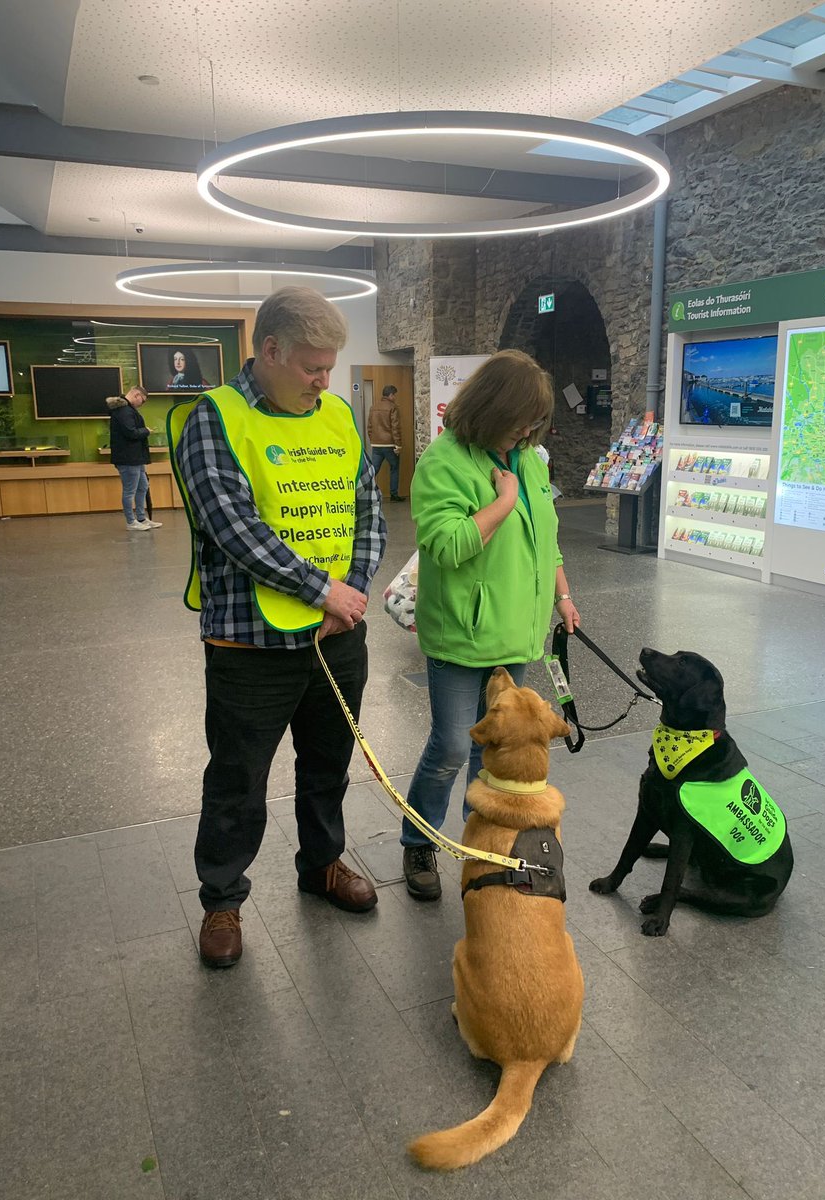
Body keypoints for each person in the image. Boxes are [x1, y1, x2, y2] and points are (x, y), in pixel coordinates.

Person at [171, 286, 387, 969]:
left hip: (336, 633)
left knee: (329, 764)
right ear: (269, 351)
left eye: (330, 368)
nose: (325, 382)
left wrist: (349, 595)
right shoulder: (216, 418)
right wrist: (323, 589)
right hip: (251, 645)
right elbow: (234, 526)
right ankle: (222, 899)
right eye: (312, 368)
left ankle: (322, 865)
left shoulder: (339, 417)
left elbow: (367, 511)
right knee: (239, 779)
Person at [400, 349, 580, 901]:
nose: (526, 434)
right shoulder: (443, 462)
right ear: (489, 408)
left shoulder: (529, 459)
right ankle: (419, 839)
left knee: (493, 749)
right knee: (453, 745)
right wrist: (503, 501)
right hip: (462, 633)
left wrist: (564, 597)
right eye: (519, 422)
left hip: (516, 632)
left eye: (533, 425)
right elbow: (449, 545)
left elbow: (545, 538)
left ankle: (484, 839)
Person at [106, 386, 162, 530]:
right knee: (130, 490)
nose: (141, 404)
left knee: (142, 486)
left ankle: (142, 518)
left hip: (136, 457)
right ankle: (131, 522)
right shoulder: (124, 411)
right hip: (128, 458)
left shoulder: (126, 410)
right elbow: (131, 433)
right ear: (137, 395)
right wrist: (146, 431)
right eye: (142, 401)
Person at [367, 384, 405, 501]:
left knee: (373, 470)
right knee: (394, 468)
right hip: (389, 445)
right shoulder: (393, 407)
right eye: (394, 395)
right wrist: (398, 445)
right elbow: (395, 427)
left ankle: (366, 492)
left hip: (376, 445)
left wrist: (373, 439)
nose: (395, 398)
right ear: (390, 395)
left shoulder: (373, 407)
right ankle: (394, 495)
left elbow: (369, 426)